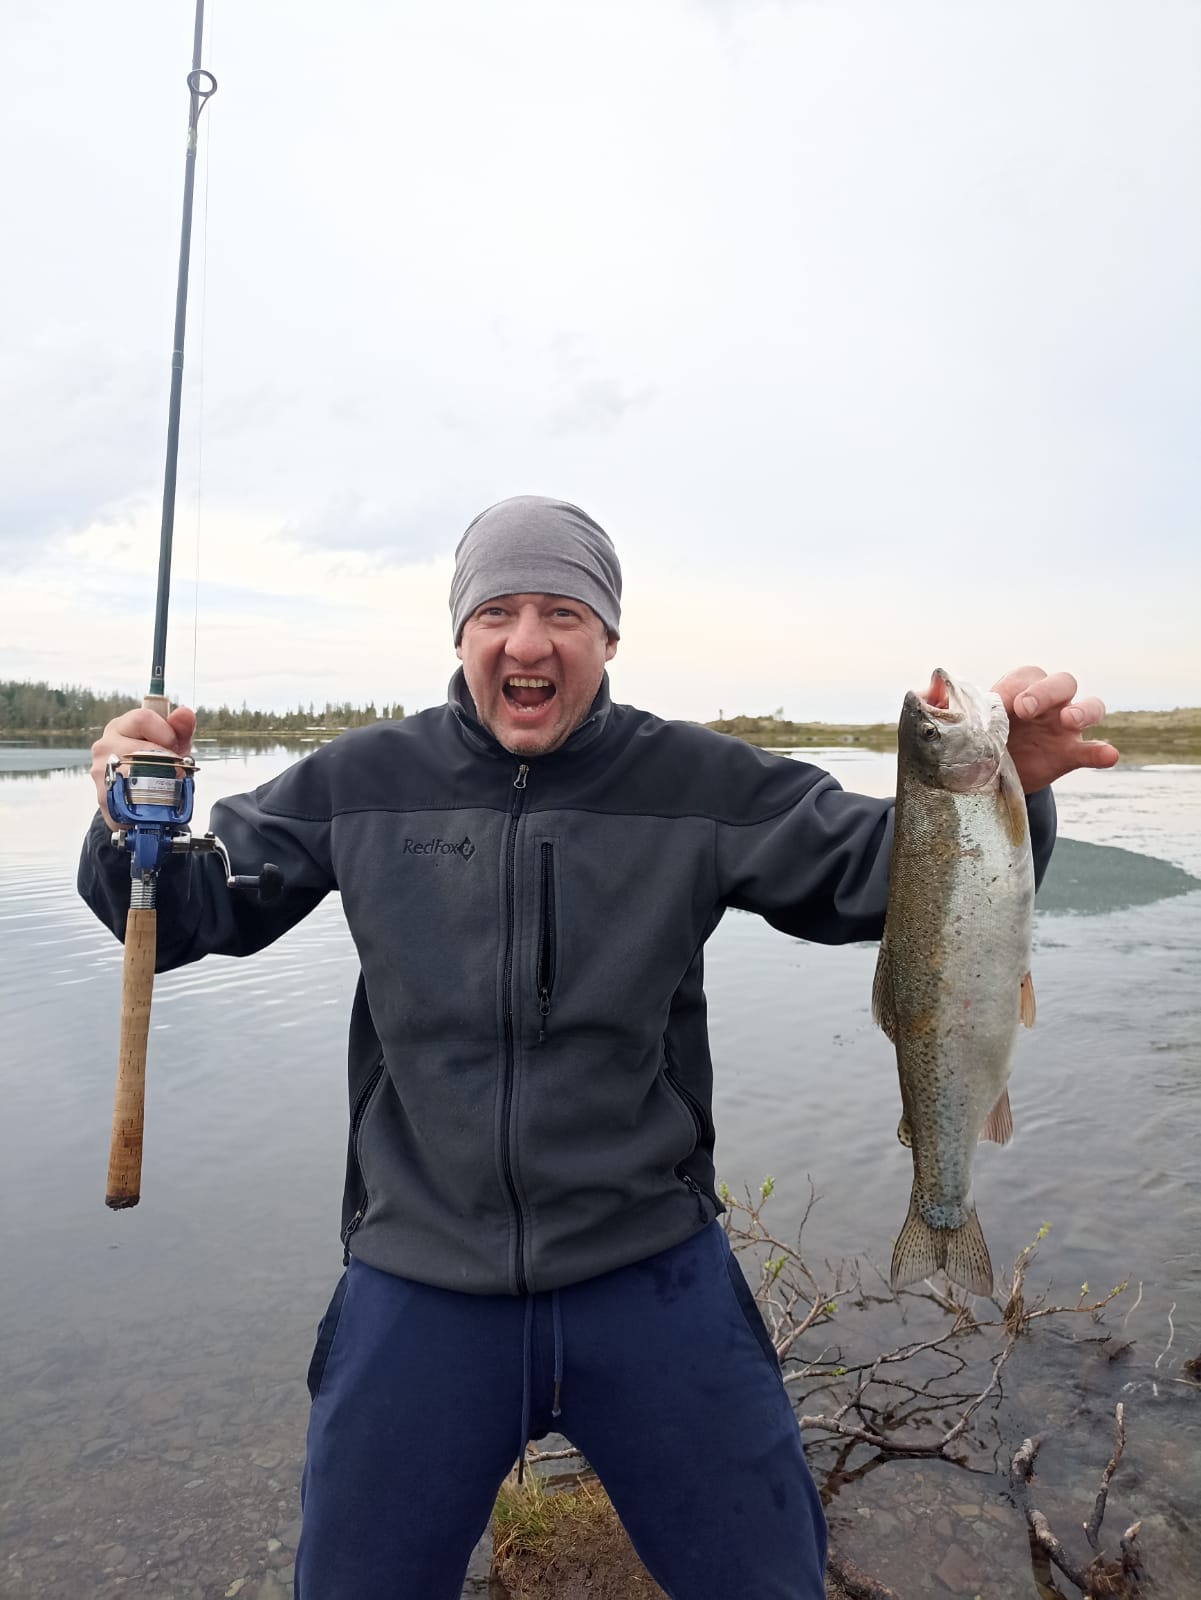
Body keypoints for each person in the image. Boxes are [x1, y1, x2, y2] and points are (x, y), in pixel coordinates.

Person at [80, 495, 1118, 1600]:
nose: (527, 642)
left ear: (608, 636)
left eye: (563, 613)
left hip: (650, 1270)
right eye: (497, 612)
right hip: (420, 1273)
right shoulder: (361, 779)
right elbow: (179, 915)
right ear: (461, 634)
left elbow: (891, 876)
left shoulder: (696, 780)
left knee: (767, 1582)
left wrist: (1009, 790)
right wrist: (126, 817)